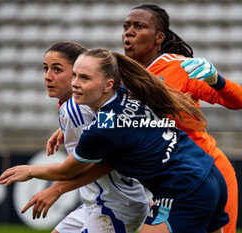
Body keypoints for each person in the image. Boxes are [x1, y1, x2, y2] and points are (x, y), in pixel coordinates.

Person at [0, 48, 229, 233]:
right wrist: (63, 130)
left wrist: (30, 171)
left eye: (85, 78)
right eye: (75, 75)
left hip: (183, 188)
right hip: (209, 172)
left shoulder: (101, 131)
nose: (75, 83)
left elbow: (65, 171)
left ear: (108, 83)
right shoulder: (126, 91)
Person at [121, 4, 242, 233]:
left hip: (208, 169)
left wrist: (215, 79)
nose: (129, 31)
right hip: (171, 179)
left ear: (159, 37)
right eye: (126, 26)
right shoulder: (122, 77)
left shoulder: (180, 68)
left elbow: (238, 101)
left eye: (139, 26)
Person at [24, 42, 149, 233]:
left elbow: (108, 160)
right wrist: (63, 130)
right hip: (100, 203)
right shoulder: (90, 104)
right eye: (45, 68)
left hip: (115, 205)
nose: (48, 76)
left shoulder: (75, 108)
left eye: (57, 70)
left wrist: (53, 187)